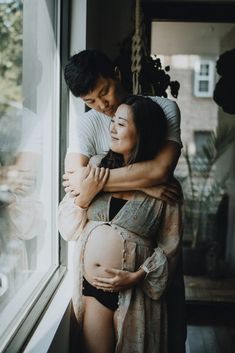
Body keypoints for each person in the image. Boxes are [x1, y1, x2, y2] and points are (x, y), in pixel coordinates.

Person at [63, 49, 186, 353]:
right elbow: (76, 185)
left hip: (142, 282)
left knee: (168, 340)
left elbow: (160, 170)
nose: (102, 107)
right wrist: (146, 185)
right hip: (93, 288)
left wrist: (101, 182)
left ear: (117, 74)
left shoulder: (162, 109)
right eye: (90, 101)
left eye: (104, 92)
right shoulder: (88, 125)